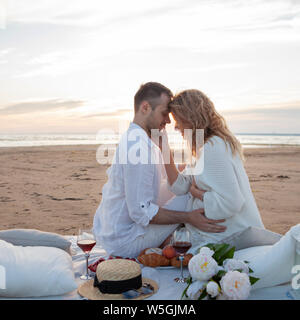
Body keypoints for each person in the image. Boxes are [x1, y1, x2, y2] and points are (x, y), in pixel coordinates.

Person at [93, 82, 226, 258]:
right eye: (165, 113)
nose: (169, 121)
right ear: (145, 107)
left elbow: (165, 181)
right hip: (124, 242)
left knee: (186, 183)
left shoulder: (141, 139)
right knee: (187, 193)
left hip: (113, 230)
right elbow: (141, 212)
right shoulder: (139, 148)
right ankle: (211, 230)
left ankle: (176, 236)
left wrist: (186, 173)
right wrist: (188, 217)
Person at [159, 89, 265, 251]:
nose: (176, 127)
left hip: (229, 236)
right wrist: (165, 151)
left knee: (164, 248)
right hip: (214, 232)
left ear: (191, 117)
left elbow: (231, 202)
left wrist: (197, 194)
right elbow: (180, 187)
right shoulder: (202, 147)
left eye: (178, 120)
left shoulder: (213, 148)